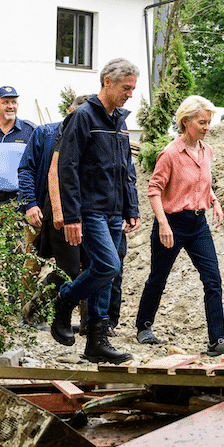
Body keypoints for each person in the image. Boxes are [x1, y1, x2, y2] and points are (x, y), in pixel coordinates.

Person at [49, 58, 141, 364]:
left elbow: (126, 169)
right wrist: (72, 216)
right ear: (108, 83)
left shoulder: (121, 121)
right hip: (91, 211)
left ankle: (96, 341)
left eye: (133, 89)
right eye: (126, 88)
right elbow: (67, 167)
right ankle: (65, 299)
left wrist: (131, 206)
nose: (130, 94)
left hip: (115, 211)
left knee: (107, 275)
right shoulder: (84, 117)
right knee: (107, 266)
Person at [135, 95, 224, 357]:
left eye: (209, 122)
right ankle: (143, 326)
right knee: (158, 278)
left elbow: (203, 184)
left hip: (198, 224)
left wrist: (214, 201)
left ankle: (217, 340)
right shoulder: (170, 153)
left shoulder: (207, 151)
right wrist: (162, 224)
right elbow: (154, 190)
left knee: (213, 279)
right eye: (202, 122)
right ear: (186, 122)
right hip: (172, 223)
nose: (207, 127)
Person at [19, 95, 89, 323]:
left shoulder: (87, 138)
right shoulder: (44, 133)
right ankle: (27, 315)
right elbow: (26, 169)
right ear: (70, 110)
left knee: (78, 268)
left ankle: (78, 319)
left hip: (72, 216)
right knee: (33, 263)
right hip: (40, 212)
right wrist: (30, 204)